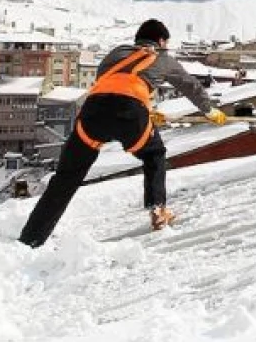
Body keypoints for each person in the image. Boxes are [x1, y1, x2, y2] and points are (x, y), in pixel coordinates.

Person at [18, 19, 228, 247]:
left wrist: (146, 109)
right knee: (154, 154)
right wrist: (209, 111)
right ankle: (158, 210)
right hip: (131, 114)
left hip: (93, 112)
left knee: (65, 178)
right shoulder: (163, 57)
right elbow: (190, 86)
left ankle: (32, 238)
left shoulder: (115, 54)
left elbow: (113, 85)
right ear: (160, 41)